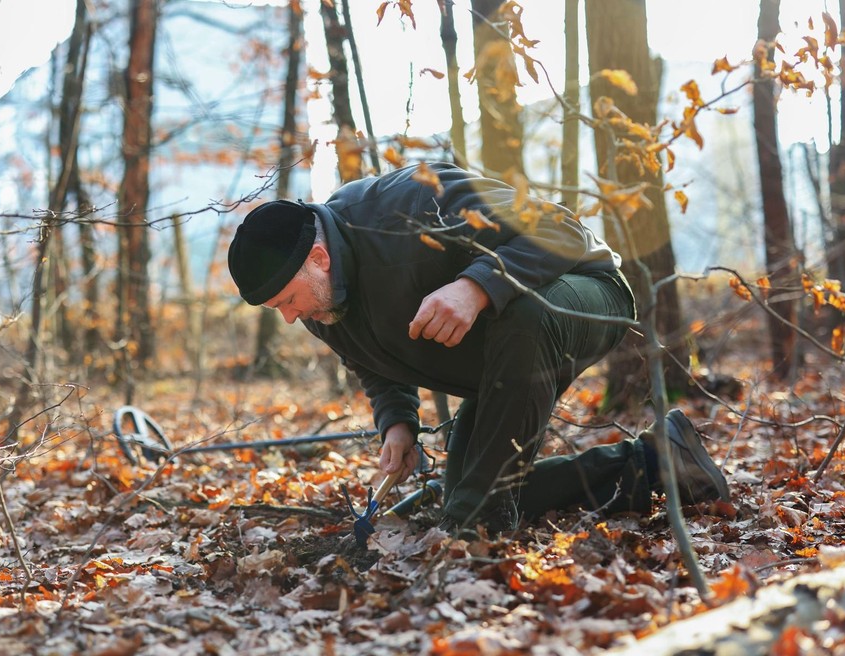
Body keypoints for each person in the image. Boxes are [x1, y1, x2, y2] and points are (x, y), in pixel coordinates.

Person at [227, 162, 729, 533]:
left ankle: (479, 530)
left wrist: (477, 285)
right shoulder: (321, 303)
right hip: (504, 352)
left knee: (476, 508)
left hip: (583, 292)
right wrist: (397, 424)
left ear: (319, 258)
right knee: (466, 489)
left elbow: (563, 230)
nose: (291, 317)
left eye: (288, 300)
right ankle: (658, 462)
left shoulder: (413, 201)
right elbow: (369, 360)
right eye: (278, 309)